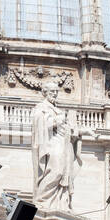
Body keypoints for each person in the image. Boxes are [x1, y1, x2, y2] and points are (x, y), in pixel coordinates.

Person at [31, 79, 81, 211]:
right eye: (52, 91)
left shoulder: (56, 109)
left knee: (64, 173)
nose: (55, 94)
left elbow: (67, 129)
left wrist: (79, 131)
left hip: (63, 144)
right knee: (56, 172)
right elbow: (40, 126)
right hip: (51, 145)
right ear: (45, 92)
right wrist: (57, 120)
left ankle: (60, 204)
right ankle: (41, 201)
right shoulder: (41, 108)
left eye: (56, 91)